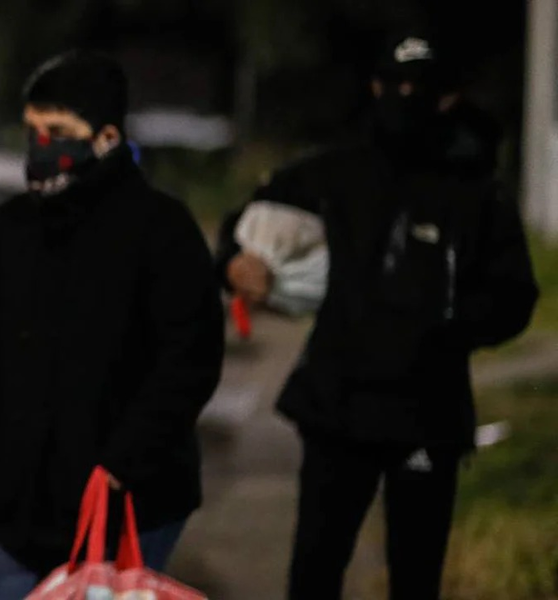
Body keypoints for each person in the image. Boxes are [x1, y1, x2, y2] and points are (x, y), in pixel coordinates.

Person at [219, 35, 538, 600]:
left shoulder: (479, 195)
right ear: (374, 87)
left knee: (415, 580)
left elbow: (515, 297)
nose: (404, 98)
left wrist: (444, 327)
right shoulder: (336, 172)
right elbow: (247, 224)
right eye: (393, 85)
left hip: (428, 416)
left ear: (448, 98)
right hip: (337, 410)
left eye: (420, 89)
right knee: (314, 573)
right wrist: (234, 266)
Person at [0, 50, 224, 600]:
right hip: (21, 510)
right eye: (33, 130)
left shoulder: (161, 230)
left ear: (106, 137)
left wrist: (123, 465)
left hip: (130, 508)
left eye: (58, 131)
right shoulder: (11, 229)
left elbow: (189, 359)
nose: (41, 145)